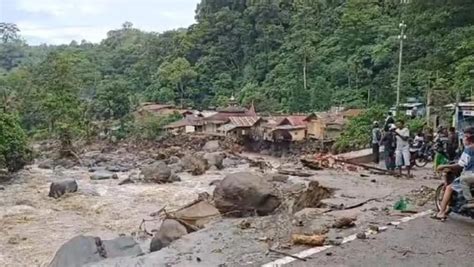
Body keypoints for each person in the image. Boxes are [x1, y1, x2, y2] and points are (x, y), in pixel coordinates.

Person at [435, 127, 474, 220]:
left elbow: (460, 165)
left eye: (465, 136)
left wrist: (443, 166)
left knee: (449, 188)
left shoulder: (469, 149)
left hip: (470, 174)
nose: (463, 138)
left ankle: (441, 212)